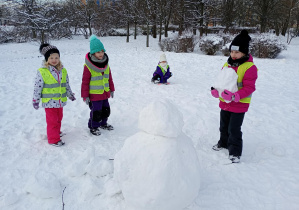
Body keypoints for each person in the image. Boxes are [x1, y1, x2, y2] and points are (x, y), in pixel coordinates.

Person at [210, 30, 258, 163]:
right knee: (223, 126)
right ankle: (223, 143)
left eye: (237, 52)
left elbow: (250, 88)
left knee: (234, 129)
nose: (233, 55)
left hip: (239, 104)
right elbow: (221, 81)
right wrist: (216, 90)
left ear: (244, 52)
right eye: (232, 51)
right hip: (225, 103)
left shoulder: (250, 67)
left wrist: (235, 96)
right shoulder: (227, 64)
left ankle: (235, 151)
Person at [33, 43, 76, 147]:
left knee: (59, 118)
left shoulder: (63, 70)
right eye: (51, 57)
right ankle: (53, 139)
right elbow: (37, 87)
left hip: (60, 101)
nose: (54, 59)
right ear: (47, 59)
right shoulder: (42, 72)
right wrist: (36, 100)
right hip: (49, 102)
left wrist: (70, 95)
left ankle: (56, 132)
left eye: (56, 57)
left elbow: (66, 84)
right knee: (52, 121)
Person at [81, 35, 115, 136]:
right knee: (96, 112)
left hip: (104, 93)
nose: (101, 54)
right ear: (93, 53)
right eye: (98, 52)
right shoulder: (88, 66)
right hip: (94, 95)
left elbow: (109, 78)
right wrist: (85, 96)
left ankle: (103, 123)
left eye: (102, 51)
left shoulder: (106, 64)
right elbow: (85, 82)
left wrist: (111, 89)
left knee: (106, 110)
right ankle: (93, 126)